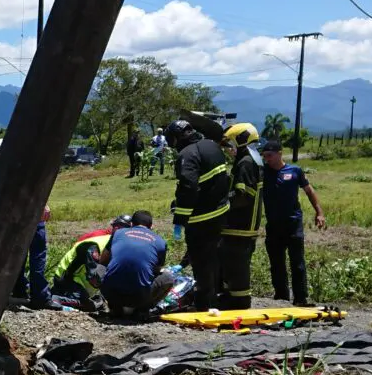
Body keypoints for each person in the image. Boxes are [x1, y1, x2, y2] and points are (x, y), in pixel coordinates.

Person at [168, 119, 230, 311]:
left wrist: (180, 219)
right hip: (221, 211)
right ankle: (216, 298)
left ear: (176, 138)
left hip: (201, 217)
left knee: (201, 261)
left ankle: (203, 304)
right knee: (214, 257)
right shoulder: (211, 146)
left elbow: (188, 187)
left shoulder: (187, 154)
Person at [261, 140, 326, 306]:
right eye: (264, 155)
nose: (267, 158)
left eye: (270, 155)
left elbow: (309, 191)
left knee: (297, 263)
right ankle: (281, 297)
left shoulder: (295, 171)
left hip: (293, 223)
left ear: (280, 153)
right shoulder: (263, 172)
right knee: (276, 263)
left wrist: (319, 212)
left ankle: (301, 298)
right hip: (273, 224)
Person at [218, 122, 264, 311]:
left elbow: (242, 196)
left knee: (236, 265)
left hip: (240, 225)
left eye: (231, 145)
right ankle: (233, 298)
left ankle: (239, 302)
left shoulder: (245, 163)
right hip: (244, 225)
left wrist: (221, 201)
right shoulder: (253, 160)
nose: (229, 150)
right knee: (233, 264)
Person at [97, 210, 174, 317]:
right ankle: (142, 310)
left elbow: (103, 261)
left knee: (99, 268)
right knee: (168, 278)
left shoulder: (118, 233)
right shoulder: (160, 241)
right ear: (151, 226)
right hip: (139, 297)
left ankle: (115, 308)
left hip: (111, 294)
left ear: (131, 224)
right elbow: (156, 268)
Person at [50, 214, 132, 309]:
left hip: (80, 283)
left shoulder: (116, 242)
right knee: (91, 306)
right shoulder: (96, 245)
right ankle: (55, 299)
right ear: (117, 229)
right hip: (67, 280)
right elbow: (94, 278)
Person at [14, 204, 53, 309]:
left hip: (15, 214)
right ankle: (39, 296)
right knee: (38, 256)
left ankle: (19, 289)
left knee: (17, 255)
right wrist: (43, 204)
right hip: (33, 212)